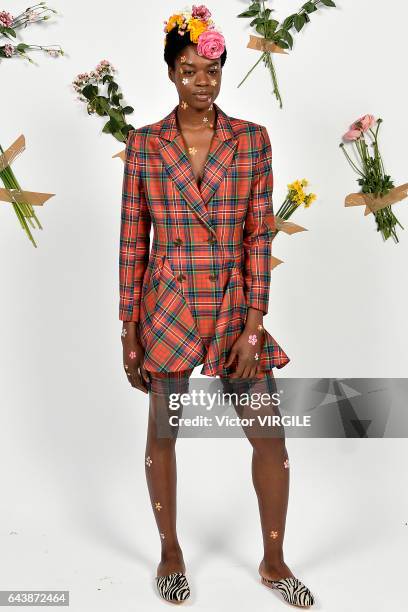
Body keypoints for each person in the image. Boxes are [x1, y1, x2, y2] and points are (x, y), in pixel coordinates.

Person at [119, 4, 314, 607]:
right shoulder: (145, 144)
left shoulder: (252, 141)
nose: (201, 81)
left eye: (211, 69)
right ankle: (170, 553)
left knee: (270, 439)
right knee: (164, 432)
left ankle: (275, 562)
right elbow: (133, 239)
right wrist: (128, 328)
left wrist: (255, 322)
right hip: (168, 304)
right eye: (188, 70)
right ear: (171, 73)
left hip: (232, 303)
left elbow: (260, 233)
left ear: (221, 68)